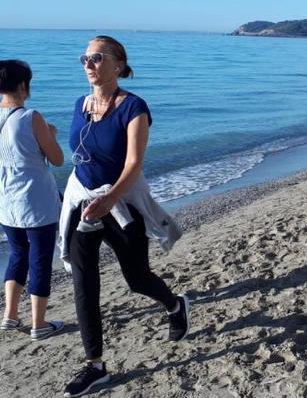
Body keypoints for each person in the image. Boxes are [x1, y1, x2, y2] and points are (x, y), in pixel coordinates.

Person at [60, 36, 188, 397]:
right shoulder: (80, 105)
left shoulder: (134, 107)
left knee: (137, 278)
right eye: (85, 57)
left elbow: (134, 164)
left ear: (118, 64)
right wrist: (72, 197)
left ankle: (176, 305)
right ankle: (95, 366)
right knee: (84, 285)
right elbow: (80, 158)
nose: (89, 63)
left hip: (121, 206)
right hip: (84, 206)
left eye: (97, 57)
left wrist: (110, 197)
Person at [0, 60, 65, 341]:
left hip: (7, 202)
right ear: (23, 85)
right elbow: (58, 159)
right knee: (39, 259)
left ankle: (10, 315)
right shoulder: (31, 117)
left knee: (17, 255)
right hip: (36, 202)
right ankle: (39, 323)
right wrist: (50, 134)